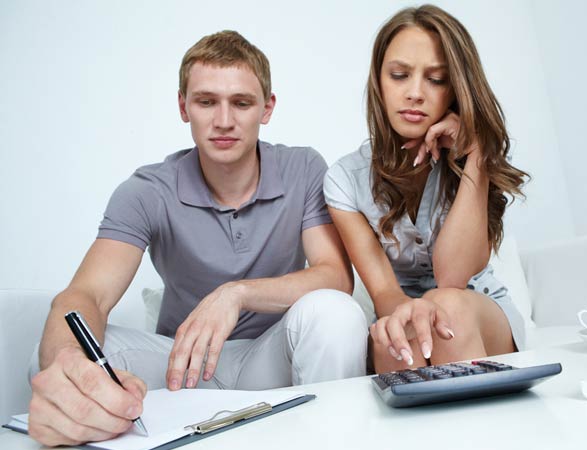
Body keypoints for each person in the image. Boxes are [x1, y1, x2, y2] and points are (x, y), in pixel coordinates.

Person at [28, 30, 367, 446]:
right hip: (179, 369)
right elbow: (87, 296)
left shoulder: (303, 168)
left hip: (271, 358)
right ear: (183, 106)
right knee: (54, 358)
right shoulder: (146, 190)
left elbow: (335, 277)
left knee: (336, 313)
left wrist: (235, 294)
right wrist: (66, 363)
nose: (223, 120)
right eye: (206, 102)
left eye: (241, 103)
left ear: (267, 108)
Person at [324, 4, 529, 375]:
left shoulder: (477, 156)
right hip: (399, 311)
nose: (415, 93)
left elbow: (452, 278)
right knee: (394, 336)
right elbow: (384, 293)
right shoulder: (344, 179)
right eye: (399, 75)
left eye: (436, 79)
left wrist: (476, 155)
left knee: (446, 306)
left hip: (477, 311)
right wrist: (413, 312)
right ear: (378, 81)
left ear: (455, 90)